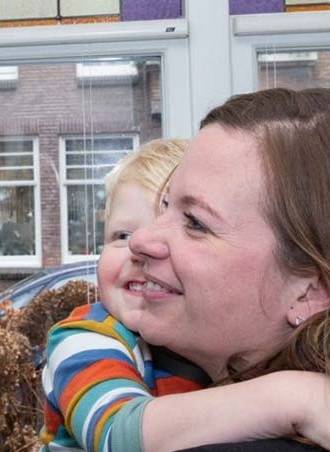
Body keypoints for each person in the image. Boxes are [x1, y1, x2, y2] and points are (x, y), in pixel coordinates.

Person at [43, 89, 330, 452]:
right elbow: (116, 433)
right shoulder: (94, 338)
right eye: (165, 206)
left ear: (308, 290)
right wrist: (295, 398)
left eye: (196, 223)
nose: (141, 241)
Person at [41, 139, 212, 451]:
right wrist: (290, 402)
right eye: (123, 236)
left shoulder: (210, 344)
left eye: (165, 236)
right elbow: (117, 436)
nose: (138, 250)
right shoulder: (86, 337)